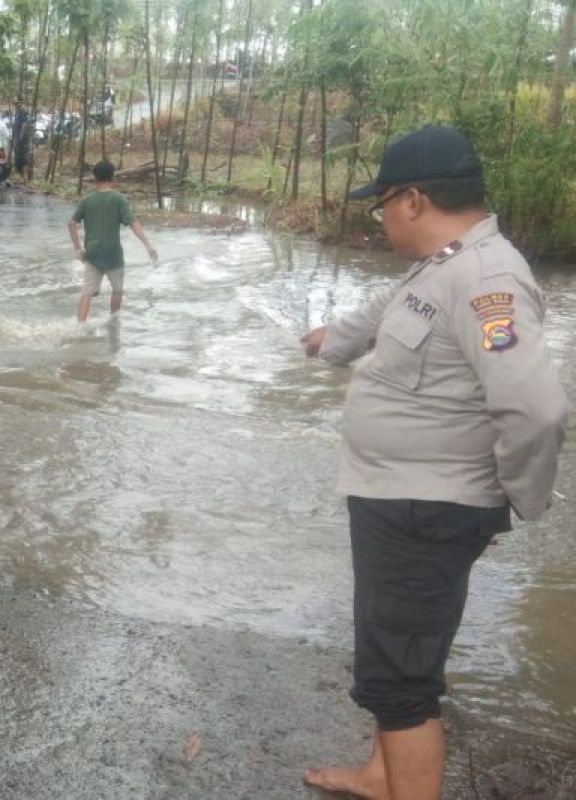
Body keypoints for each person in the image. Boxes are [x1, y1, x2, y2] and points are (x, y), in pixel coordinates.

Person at [301, 126, 569, 799]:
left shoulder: (487, 279)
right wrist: (332, 342)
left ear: (413, 200)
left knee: (401, 680)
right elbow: (383, 313)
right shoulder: (444, 264)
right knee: (392, 656)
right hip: (397, 502)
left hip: (429, 512)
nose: (382, 216)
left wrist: (514, 499)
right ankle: (379, 774)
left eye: (382, 203)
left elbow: (536, 410)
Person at [67, 160, 158, 323]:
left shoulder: (87, 201)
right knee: (117, 290)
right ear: (112, 177)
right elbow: (133, 224)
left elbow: (71, 224)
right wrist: (148, 245)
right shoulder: (118, 199)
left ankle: (79, 328)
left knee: (87, 293)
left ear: (95, 178)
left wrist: (78, 249)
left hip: (93, 254)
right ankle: (114, 324)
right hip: (113, 254)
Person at [11, 98, 30, 177]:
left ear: (20, 103)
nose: (15, 105)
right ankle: (18, 171)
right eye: (14, 103)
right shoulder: (17, 112)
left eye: (17, 103)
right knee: (16, 153)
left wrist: (20, 137)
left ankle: (22, 172)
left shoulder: (23, 112)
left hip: (20, 137)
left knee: (21, 154)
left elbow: (24, 125)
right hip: (16, 135)